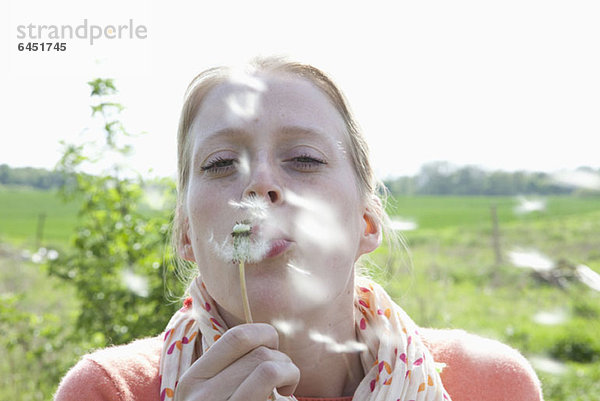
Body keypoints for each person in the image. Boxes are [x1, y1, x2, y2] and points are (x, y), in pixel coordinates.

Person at [54, 57, 544, 401]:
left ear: (366, 223)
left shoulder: (491, 385)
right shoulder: (106, 391)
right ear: (185, 234)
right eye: (222, 163)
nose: (259, 183)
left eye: (305, 159)